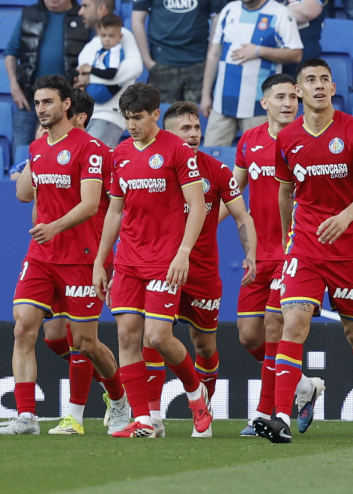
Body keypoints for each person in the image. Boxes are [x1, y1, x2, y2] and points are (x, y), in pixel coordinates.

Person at [253, 59, 353, 445]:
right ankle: (280, 416)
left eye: (325, 79)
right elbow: (285, 191)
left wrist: (345, 217)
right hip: (306, 247)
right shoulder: (287, 138)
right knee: (292, 324)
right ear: (299, 90)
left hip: (351, 251)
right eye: (310, 80)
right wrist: (287, 239)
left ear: (333, 87)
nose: (319, 85)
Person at [0, 75, 125, 435]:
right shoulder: (38, 147)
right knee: (23, 326)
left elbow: (91, 204)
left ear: (67, 105)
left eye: (48, 102)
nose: (41, 109)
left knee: (84, 341)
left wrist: (54, 227)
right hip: (42, 255)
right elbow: (24, 194)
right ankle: (26, 417)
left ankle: (118, 397)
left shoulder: (91, 149)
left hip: (82, 256)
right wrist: (35, 153)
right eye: (37, 103)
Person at [93, 82, 212, 438]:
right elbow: (115, 211)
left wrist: (184, 252)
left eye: (138, 118)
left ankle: (196, 393)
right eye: (127, 118)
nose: (131, 125)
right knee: (127, 336)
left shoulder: (177, 150)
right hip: (129, 260)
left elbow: (197, 207)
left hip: (165, 260)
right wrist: (101, 261)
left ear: (156, 114)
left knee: (158, 337)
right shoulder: (120, 153)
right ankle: (143, 419)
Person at [141, 101, 257, 438]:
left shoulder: (217, 170)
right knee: (153, 338)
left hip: (202, 273)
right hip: (161, 268)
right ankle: (152, 416)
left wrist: (251, 253)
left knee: (204, 345)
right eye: (185, 129)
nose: (193, 134)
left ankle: (204, 408)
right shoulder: (151, 167)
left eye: (196, 128)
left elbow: (242, 215)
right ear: (166, 133)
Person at [231, 73, 324, 437]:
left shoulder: (307, 140)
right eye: (280, 97)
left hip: (294, 252)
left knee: (273, 327)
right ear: (264, 103)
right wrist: (200, 227)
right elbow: (233, 194)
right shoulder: (249, 141)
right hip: (259, 254)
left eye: (293, 97)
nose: (288, 103)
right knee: (248, 335)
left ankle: (263, 412)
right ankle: (302, 384)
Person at [200, 0, 303, 147]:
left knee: (261, 156)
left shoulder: (280, 13)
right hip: (222, 102)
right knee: (210, 156)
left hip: (259, 106)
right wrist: (205, 95)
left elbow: (296, 53)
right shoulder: (229, 9)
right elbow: (214, 54)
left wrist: (259, 51)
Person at [4, 0, 90, 150]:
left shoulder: (82, 15)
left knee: (62, 152)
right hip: (29, 99)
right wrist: (14, 85)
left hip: (66, 104)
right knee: (22, 151)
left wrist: (85, 80)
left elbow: (97, 52)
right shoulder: (29, 14)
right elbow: (11, 52)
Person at [75, 0, 143, 147]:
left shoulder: (122, 35)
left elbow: (135, 67)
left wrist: (91, 78)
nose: (80, 12)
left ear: (101, 8)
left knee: (94, 158)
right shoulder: (89, 46)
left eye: (85, 6)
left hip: (109, 116)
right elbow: (82, 79)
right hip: (85, 116)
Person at [132, 0, 226, 103]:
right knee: (160, 112)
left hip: (198, 65)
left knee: (195, 112)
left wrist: (210, 59)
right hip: (161, 64)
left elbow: (217, 19)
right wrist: (147, 61)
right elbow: (137, 19)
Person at [80, 14, 124, 104]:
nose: (107, 39)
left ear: (120, 37)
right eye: (104, 36)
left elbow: (111, 73)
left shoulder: (114, 51)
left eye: (111, 36)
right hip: (96, 89)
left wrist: (91, 70)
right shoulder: (102, 50)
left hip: (106, 89)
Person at [278, 0, 326, 77]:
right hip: (271, 57)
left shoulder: (273, 10)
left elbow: (306, 12)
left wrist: (272, 13)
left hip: (304, 61)